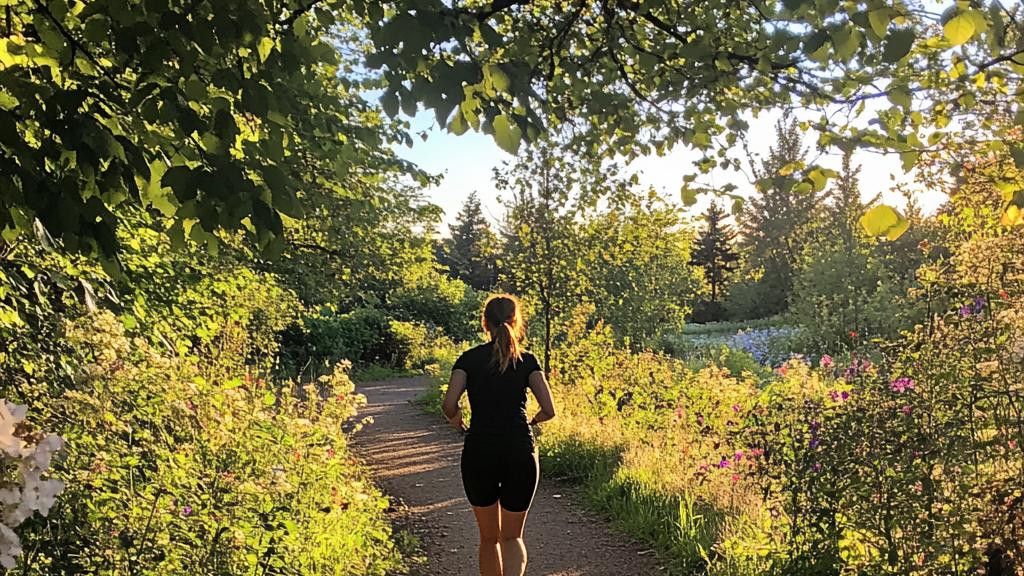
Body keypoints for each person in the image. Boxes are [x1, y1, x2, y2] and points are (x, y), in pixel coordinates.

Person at [442, 294, 556, 576]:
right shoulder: (528, 361)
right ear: (516, 322)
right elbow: (549, 409)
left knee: (489, 538)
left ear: (485, 323)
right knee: (512, 537)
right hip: (519, 449)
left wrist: (457, 421)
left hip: (480, 450)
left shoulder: (468, 360)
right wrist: (532, 421)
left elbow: (448, 404)